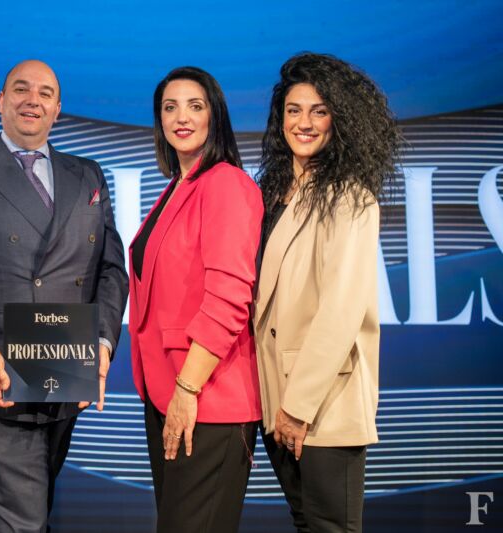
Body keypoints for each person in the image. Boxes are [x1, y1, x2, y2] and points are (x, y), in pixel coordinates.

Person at [0, 59, 128, 532]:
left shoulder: (88, 174)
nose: (32, 100)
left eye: (45, 93)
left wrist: (103, 344)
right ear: (1, 101)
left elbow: (111, 269)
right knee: (22, 519)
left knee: (28, 511)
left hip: (65, 368)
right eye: (21, 89)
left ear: (58, 109)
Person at [254, 53, 402, 532]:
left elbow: (341, 309)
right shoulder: (275, 193)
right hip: (276, 398)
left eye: (319, 111)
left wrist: (298, 407)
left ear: (340, 120)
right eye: (294, 110)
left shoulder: (351, 197)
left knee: (330, 527)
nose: (304, 122)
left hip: (321, 402)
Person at [128, 66, 263, 533]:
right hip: (167, 393)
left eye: (195, 106)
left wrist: (187, 390)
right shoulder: (177, 188)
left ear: (215, 116)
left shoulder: (226, 184)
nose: (181, 117)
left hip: (207, 397)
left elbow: (229, 297)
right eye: (170, 107)